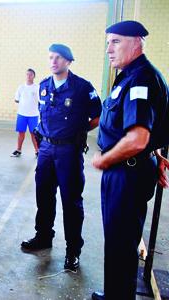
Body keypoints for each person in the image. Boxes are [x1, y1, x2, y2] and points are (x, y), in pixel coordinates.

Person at [91, 21, 169, 300]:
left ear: (137, 42)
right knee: (118, 241)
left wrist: (105, 159)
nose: (108, 50)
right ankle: (116, 293)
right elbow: (153, 126)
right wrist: (156, 153)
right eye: (107, 43)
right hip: (131, 167)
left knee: (121, 243)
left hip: (126, 172)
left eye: (116, 42)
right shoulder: (131, 75)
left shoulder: (140, 79)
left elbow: (137, 138)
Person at [21, 44, 102, 272]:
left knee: (71, 202)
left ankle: (72, 251)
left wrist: (79, 129)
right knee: (44, 196)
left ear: (68, 61)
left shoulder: (82, 87)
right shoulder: (44, 85)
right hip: (46, 150)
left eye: (58, 58)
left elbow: (97, 115)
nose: (53, 61)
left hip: (69, 151)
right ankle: (43, 237)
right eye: (50, 57)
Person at [11, 68, 40, 157]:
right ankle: (18, 150)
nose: (28, 76)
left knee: (34, 134)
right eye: (27, 74)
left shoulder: (37, 87)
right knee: (21, 133)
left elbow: (40, 100)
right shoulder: (21, 87)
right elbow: (17, 100)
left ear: (34, 76)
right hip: (22, 114)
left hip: (33, 115)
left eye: (30, 74)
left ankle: (37, 151)